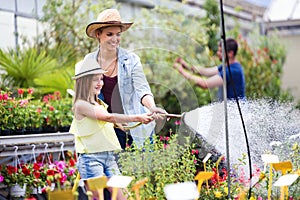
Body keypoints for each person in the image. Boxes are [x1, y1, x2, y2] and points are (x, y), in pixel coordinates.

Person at [69, 58, 154, 199]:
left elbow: (110, 122)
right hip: (91, 159)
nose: (100, 83)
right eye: (95, 80)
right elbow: (108, 118)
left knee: (123, 196)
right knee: (99, 198)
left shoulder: (99, 103)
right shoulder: (81, 105)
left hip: (109, 157)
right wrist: (138, 117)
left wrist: (143, 120)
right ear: (83, 82)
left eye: (101, 79)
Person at [84, 9, 166, 148]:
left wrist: (152, 107)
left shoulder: (131, 60)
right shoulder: (89, 61)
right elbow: (87, 98)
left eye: (118, 34)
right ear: (98, 34)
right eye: (109, 34)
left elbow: (142, 88)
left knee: (142, 166)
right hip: (108, 126)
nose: (115, 39)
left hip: (136, 124)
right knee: (115, 168)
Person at [174, 38, 246, 101]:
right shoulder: (227, 66)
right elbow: (205, 72)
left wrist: (181, 71)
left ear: (230, 53)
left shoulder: (233, 71)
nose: (218, 53)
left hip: (235, 114)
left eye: (221, 51)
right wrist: (185, 65)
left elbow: (205, 84)